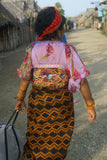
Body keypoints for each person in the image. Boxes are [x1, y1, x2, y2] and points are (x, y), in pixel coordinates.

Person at [15, 7, 96, 160]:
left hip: (38, 104)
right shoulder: (67, 50)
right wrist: (90, 105)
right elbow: (82, 81)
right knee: (59, 139)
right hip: (61, 106)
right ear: (57, 30)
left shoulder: (31, 50)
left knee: (37, 137)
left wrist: (20, 98)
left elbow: (25, 78)